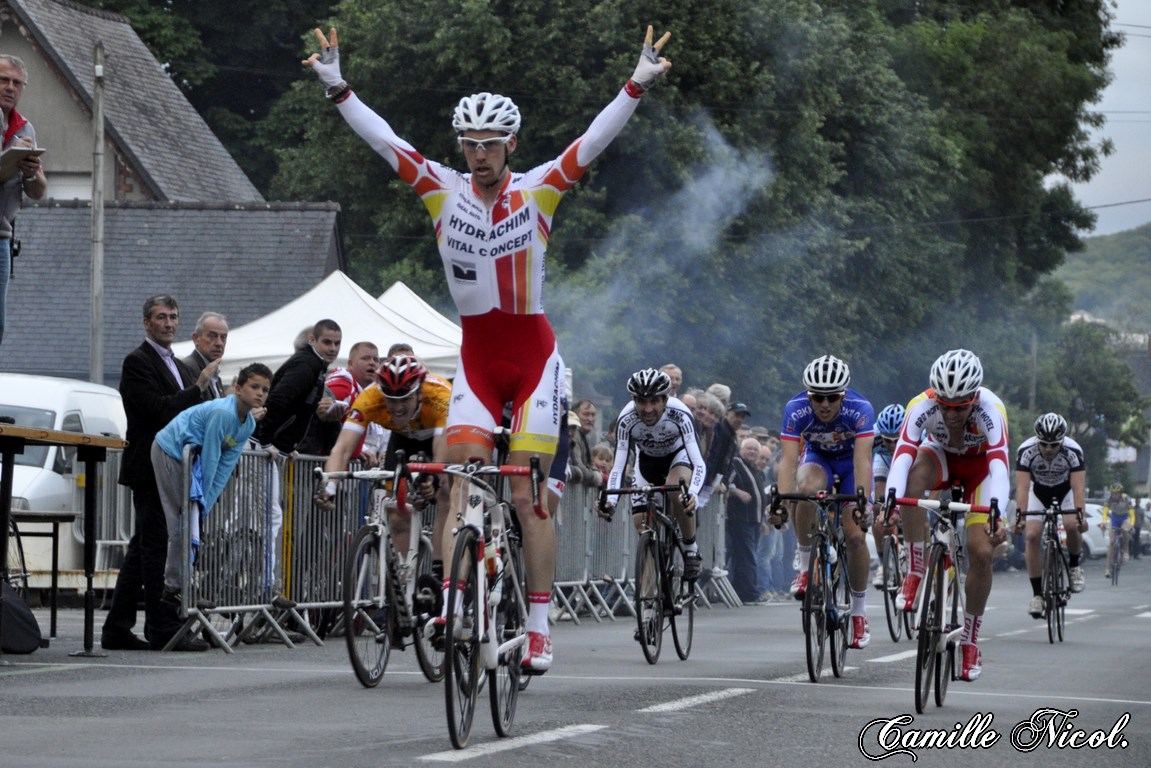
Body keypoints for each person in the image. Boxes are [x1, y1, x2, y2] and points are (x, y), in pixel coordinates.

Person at [303, 23, 672, 673]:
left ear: (510, 145)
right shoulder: (440, 191)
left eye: (490, 144)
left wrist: (636, 83)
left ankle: (536, 624)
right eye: (469, 145)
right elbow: (385, 142)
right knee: (458, 479)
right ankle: (451, 594)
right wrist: (336, 85)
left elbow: (591, 142)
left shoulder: (539, 191)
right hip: (475, 359)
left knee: (528, 497)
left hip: (532, 361)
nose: (478, 155)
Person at [101, 295, 219, 652]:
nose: (168, 323)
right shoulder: (137, 362)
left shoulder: (179, 367)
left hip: (174, 467)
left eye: (173, 317)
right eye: (161, 317)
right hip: (150, 465)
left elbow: (194, 414)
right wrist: (198, 387)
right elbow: (158, 411)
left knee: (144, 547)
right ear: (146, 323)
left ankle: (117, 627)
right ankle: (161, 627)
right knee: (155, 547)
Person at [884, 349, 1009, 682]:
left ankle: (969, 641)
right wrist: (891, 503)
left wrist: (999, 513)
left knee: (981, 553)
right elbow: (901, 456)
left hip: (979, 472)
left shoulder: (991, 409)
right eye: (945, 406)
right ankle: (915, 568)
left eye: (960, 407)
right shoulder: (921, 406)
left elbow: (999, 467)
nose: (952, 414)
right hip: (940, 458)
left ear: (974, 396)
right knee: (912, 480)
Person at [771, 354, 875, 649]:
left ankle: (858, 613)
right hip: (818, 460)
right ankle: (805, 567)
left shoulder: (861, 409)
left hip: (850, 464)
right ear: (808, 395)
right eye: (818, 397)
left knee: (855, 537)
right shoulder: (795, 409)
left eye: (832, 397)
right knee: (805, 490)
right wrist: (780, 502)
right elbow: (789, 461)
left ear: (844, 395)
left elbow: (863, 460)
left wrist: (863, 505)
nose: (825, 404)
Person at [316, 354, 451, 568]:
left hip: (437, 436)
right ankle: (402, 578)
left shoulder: (439, 394)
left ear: (419, 393)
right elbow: (341, 449)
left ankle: (439, 571)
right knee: (397, 512)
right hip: (401, 439)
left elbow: (441, 453)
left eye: (405, 399)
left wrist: (433, 477)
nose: (397, 407)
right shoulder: (370, 398)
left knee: (444, 490)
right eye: (391, 399)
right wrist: (330, 485)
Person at [153, 363, 272, 606]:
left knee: (192, 517)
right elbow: (211, 458)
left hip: (190, 459)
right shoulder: (224, 414)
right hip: (170, 450)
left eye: (265, 389)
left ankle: (183, 583)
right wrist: (201, 501)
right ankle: (175, 585)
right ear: (238, 388)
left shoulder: (248, 424)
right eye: (254, 387)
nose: (260, 393)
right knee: (181, 518)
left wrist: (207, 502)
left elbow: (225, 466)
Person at [253, 318, 342, 599]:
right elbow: (278, 400)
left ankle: (270, 591)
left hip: (276, 449)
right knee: (270, 522)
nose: (332, 348)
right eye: (327, 342)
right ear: (313, 341)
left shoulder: (315, 367)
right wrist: (267, 441)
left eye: (337, 343)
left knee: (273, 521)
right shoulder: (306, 365)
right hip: (264, 449)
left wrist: (285, 444)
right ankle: (267, 591)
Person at [598, 369, 706, 585]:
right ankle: (650, 597)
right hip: (646, 461)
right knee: (641, 523)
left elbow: (698, 462)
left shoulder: (680, 413)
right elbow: (618, 467)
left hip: (678, 457)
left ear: (666, 399)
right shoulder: (626, 419)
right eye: (641, 401)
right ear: (634, 400)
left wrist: (692, 492)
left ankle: (690, 548)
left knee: (675, 488)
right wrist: (610, 501)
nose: (648, 409)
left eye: (654, 401)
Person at [1013, 412, 1088, 617]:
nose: (1048, 449)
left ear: (1061, 441)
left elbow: (1078, 488)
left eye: (1053, 445)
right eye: (1044, 444)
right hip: (1039, 491)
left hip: (1066, 491)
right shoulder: (1026, 451)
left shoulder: (1073, 451)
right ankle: (1037, 595)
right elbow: (1022, 488)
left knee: (1072, 525)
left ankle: (1073, 566)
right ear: (1037, 439)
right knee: (1031, 536)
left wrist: (1081, 517)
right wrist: (1020, 518)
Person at [0, 54, 47, 347]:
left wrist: (30, 172)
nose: (9, 87)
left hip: (2, 236)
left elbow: (40, 190)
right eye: (3, 80)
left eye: (17, 83)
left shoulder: (25, 128)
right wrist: (10, 158)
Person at [726, 437, 766, 602]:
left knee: (746, 556)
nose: (752, 452)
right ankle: (749, 593)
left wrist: (763, 520)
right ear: (741, 450)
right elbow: (724, 482)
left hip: (755, 520)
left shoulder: (756, 471)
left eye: (755, 450)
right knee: (746, 556)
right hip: (740, 519)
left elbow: (760, 497)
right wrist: (737, 492)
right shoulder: (736, 464)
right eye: (748, 448)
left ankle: (739, 592)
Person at [870, 403, 905, 588]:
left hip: (909, 461)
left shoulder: (917, 435)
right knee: (878, 505)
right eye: (887, 440)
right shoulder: (873, 435)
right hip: (882, 461)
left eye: (895, 440)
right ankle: (883, 561)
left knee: (911, 504)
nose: (892, 444)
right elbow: (861, 462)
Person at [182, 312, 229, 398]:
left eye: (223, 337)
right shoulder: (186, 368)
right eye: (212, 336)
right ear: (196, 338)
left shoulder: (216, 377)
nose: (219, 343)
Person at [1102, 482, 1134, 579]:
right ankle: (1108, 569)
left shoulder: (1126, 499)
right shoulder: (1109, 499)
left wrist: (1131, 524)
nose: (1114, 496)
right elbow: (1105, 513)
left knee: (1125, 529)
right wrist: (1104, 522)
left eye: (1116, 493)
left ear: (1120, 493)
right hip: (1115, 519)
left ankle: (1125, 551)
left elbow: (1132, 515)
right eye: (1112, 493)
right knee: (1111, 543)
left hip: (1125, 518)